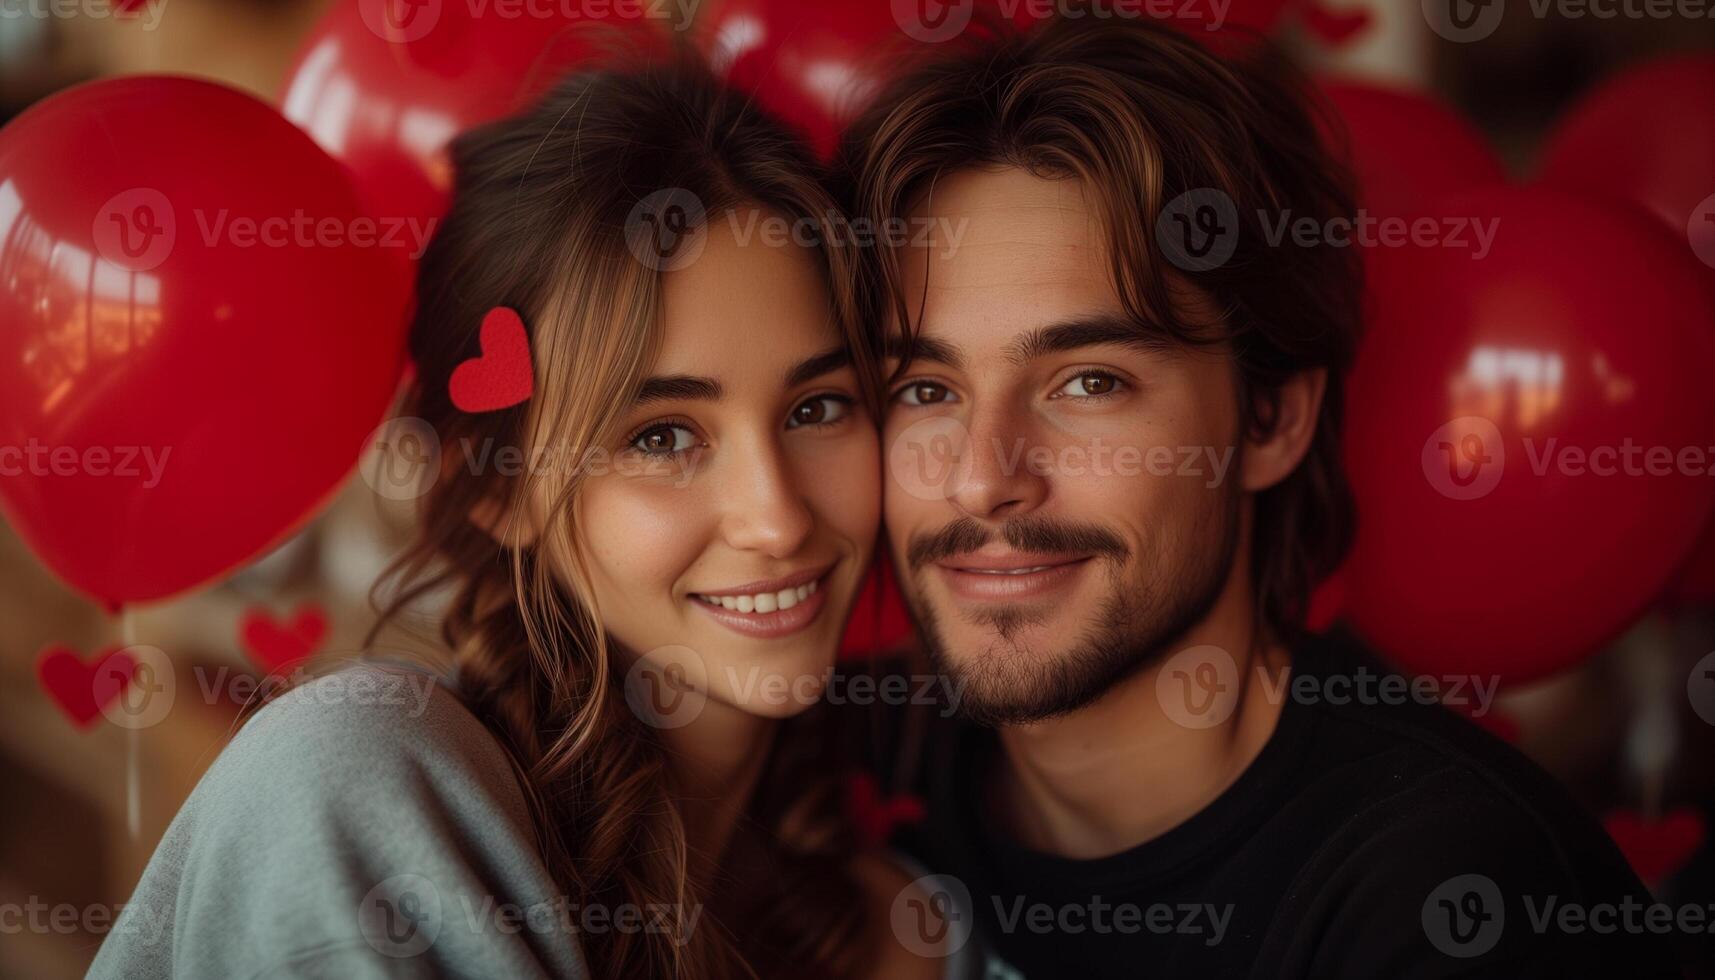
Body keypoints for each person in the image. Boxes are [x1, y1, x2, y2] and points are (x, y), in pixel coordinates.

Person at [838, 14, 1680, 979]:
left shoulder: (1453, 898)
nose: (983, 476)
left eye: (1088, 382)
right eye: (924, 390)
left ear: (1271, 418)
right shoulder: (836, 780)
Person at [89, 53, 950, 980]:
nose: (776, 519)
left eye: (817, 408)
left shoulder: (907, 920)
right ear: (497, 489)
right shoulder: (349, 770)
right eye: (660, 436)